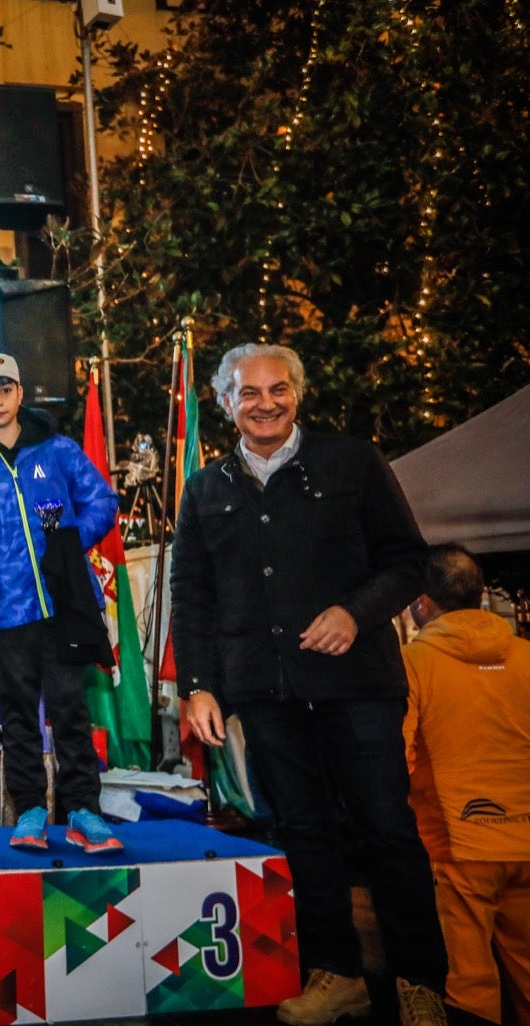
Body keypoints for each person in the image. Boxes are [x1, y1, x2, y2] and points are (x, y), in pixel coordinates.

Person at [171, 343, 448, 1026]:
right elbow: (191, 593)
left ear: (297, 393)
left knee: (387, 830)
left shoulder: (353, 461)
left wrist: (355, 613)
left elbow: (409, 562)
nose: (264, 403)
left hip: (358, 687)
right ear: (225, 402)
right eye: (248, 392)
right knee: (303, 831)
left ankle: (420, 983)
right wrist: (199, 685)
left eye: (277, 389)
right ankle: (337, 973)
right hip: (265, 692)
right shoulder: (205, 487)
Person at [0, 352, 124, 854]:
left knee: (70, 710)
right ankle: (31, 810)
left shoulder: (57, 451)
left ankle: (84, 811)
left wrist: (68, 537)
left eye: (5, 389)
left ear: (20, 394)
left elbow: (103, 500)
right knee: (18, 713)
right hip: (5, 610)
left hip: (64, 606)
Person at [403, 543, 530, 1025]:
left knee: (469, 984)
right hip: (526, 839)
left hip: (459, 844)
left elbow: (399, 754)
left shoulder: (415, 662)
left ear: (422, 602)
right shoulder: (525, 655)